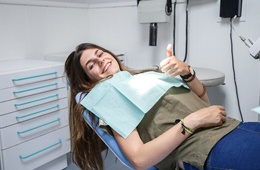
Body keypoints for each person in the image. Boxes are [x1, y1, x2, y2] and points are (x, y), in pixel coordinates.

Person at [65, 43, 260, 170]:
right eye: (92, 65)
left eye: (100, 53)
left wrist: (187, 72)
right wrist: (192, 121)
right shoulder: (107, 94)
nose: (101, 60)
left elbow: (202, 103)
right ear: (87, 81)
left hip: (232, 127)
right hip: (206, 148)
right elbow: (139, 159)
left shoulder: (145, 76)